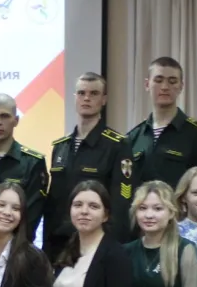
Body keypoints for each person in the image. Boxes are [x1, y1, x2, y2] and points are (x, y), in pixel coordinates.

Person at [43, 72, 134, 263]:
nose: (86, 98)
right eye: (81, 93)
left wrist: (110, 245)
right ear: (74, 97)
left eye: (94, 93)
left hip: (96, 241)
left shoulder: (117, 145)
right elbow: (53, 203)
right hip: (59, 242)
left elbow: (121, 201)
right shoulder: (61, 146)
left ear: (104, 99)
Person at [0, 94, 48, 242]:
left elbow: (31, 217)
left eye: (4, 116)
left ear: (16, 120)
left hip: (15, 247)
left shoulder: (32, 162)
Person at [127, 57, 197, 190]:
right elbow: (126, 185)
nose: (165, 87)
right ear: (147, 84)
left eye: (172, 81)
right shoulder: (133, 137)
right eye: (158, 80)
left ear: (181, 86)